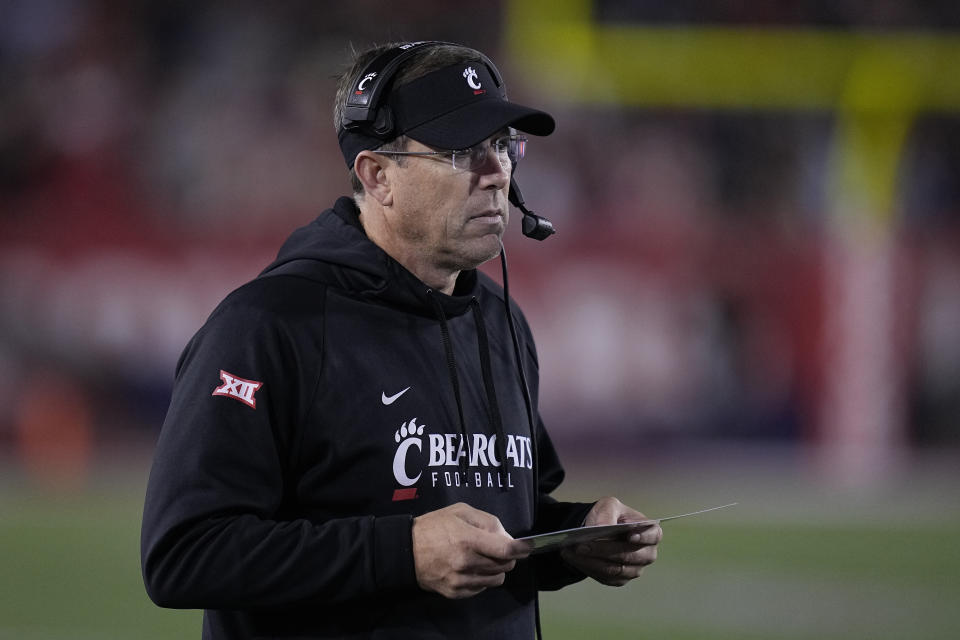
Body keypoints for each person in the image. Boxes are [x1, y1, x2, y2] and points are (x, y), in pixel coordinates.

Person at [141, 40, 661, 639]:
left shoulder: (500, 321)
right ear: (379, 175)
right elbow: (182, 553)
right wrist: (403, 552)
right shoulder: (268, 326)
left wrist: (574, 539)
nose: (497, 174)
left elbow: (508, 521)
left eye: (502, 146)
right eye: (463, 151)